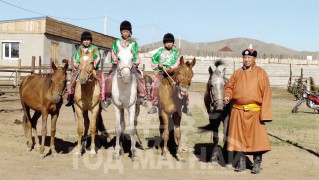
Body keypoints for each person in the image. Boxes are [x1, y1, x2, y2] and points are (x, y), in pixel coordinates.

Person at [224, 44, 272, 174]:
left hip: (254, 112)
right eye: (244, 57)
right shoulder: (237, 73)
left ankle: (256, 163)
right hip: (238, 111)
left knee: (257, 139)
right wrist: (228, 96)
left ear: (254, 59)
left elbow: (266, 93)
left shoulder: (261, 73)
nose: (246, 59)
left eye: (249, 57)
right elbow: (229, 87)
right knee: (238, 138)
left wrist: (265, 114)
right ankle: (241, 162)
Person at [103, 20, 148, 108]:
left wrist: (135, 62)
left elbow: (135, 54)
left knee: (140, 78)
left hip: (131, 66)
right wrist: (116, 60)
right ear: (121, 32)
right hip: (118, 66)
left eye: (127, 31)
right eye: (124, 31)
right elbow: (113, 52)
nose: (125, 33)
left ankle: (141, 96)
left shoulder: (133, 43)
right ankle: (108, 98)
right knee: (108, 78)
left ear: (130, 32)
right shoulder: (117, 42)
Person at [148, 33, 191, 116]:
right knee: (155, 85)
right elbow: (153, 60)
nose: (169, 43)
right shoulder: (160, 52)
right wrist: (158, 65)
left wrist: (170, 68)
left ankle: (185, 105)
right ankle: (155, 104)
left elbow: (178, 62)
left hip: (173, 73)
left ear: (173, 43)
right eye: (167, 42)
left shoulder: (175, 53)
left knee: (183, 85)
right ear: (164, 43)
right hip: (162, 73)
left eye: (170, 42)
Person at [65, 31, 107, 109]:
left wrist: (94, 64)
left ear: (90, 40)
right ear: (82, 41)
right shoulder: (80, 49)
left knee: (102, 79)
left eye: (88, 40)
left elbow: (97, 57)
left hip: (92, 69)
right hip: (81, 69)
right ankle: (70, 96)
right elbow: (76, 57)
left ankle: (102, 98)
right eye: (84, 40)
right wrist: (76, 64)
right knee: (73, 78)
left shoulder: (94, 48)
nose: (86, 41)